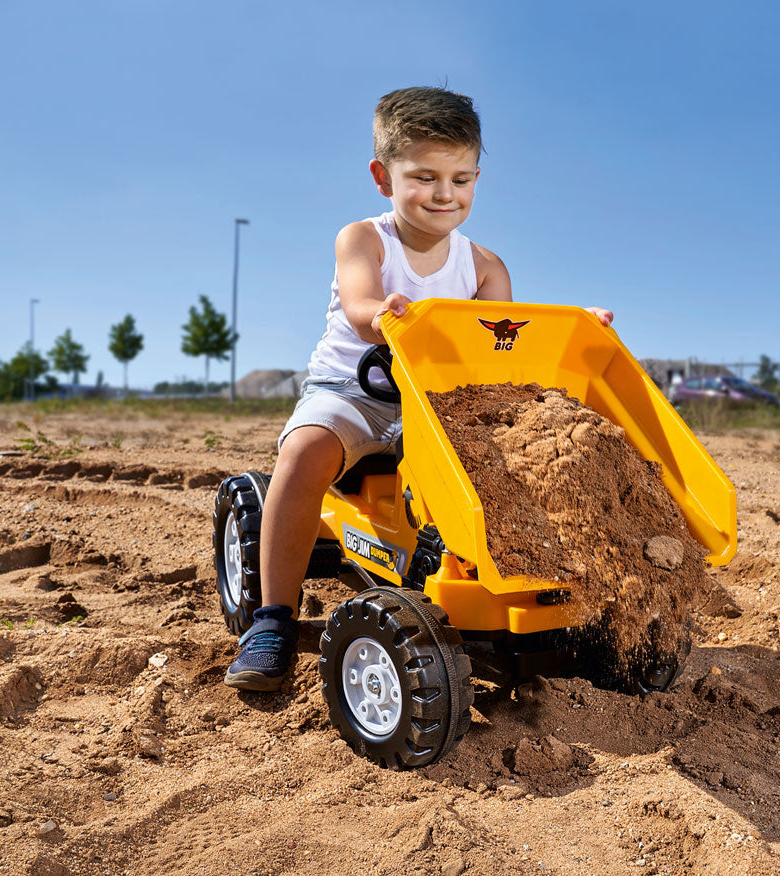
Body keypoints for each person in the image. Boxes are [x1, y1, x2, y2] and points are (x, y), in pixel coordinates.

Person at [225, 86, 612, 691]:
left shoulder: (485, 267)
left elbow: (496, 347)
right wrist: (382, 310)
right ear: (384, 177)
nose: (443, 195)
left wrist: (575, 328)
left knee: (512, 458)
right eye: (425, 177)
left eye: (460, 180)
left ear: (477, 179)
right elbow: (358, 303)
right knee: (304, 455)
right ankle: (272, 619)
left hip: (436, 401)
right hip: (354, 392)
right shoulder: (365, 239)